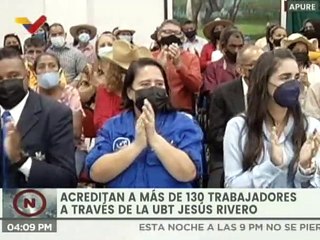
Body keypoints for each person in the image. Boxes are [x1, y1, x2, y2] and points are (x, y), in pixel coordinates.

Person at [86, 58, 203, 188]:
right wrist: (137, 146)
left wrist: (154, 139)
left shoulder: (184, 123)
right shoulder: (112, 126)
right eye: (145, 84)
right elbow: (96, 173)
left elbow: (189, 173)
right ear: (130, 93)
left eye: (159, 84)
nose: (153, 88)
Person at [224, 48, 320, 188]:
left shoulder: (312, 128)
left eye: (296, 77)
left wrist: (305, 168)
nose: (293, 84)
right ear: (264, 82)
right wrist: (271, 166)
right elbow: (232, 187)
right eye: (285, 77)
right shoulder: (238, 127)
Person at [0, 47, 77, 188]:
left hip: (35, 205)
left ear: (27, 77)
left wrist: (21, 160)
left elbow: (67, 180)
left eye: (13, 76)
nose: (5, 83)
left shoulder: (56, 114)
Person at [207, 45, 264, 188]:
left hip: (266, 153)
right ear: (240, 69)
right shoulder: (223, 93)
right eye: (253, 65)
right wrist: (243, 149)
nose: (260, 69)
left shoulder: (271, 91)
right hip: (229, 153)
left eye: (263, 64)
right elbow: (215, 134)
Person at [33, 52, 84, 177]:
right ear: (35, 73)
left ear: (59, 70)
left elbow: (76, 133)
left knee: (64, 179)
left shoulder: (71, 93)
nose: (47, 70)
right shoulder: (31, 96)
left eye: (52, 66)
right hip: (37, 152)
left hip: (71, 150)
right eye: (41, 67)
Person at [94, 40, 152, 132]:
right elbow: (101, 124)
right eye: (124, 71)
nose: (127, 75)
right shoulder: (104, 90)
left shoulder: (147, 91)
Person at [153, 19, 202, 114]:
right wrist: (159, 67)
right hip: (155, 109)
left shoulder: (191, 58)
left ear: (181, 36)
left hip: (182, 111)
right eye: (167, 32)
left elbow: (196, 87)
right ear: (159, 35)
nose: (172, 35)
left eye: (176, 32)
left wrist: (179, 65)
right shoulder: (150, 56)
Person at [281, 33, 320, 106]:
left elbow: (318, 93)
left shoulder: (315, 69)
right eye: (297, 50)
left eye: (303, 51)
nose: (300, 53)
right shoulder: (282, 69)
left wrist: (307, 84)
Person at [202, 27, 244, 94]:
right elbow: (212, 94)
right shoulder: (213, 68)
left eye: (240, 46)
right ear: (224, 46)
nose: (237, 51)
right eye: (233, 46)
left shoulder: (248, 67)